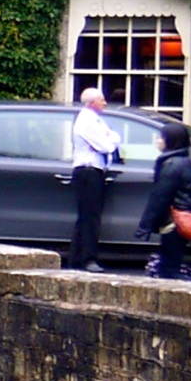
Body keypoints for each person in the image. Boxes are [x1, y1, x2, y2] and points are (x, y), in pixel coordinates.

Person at [63, 87, 124, 270]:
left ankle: (77, 258)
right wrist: (110, 140)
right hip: (88, 171)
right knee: (90, 217)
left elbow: (114, 136)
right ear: (92, 103)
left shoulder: (95, 120)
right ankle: (87, 259)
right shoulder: (87, 121)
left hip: (92, 171)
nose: (105, 103)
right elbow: (106, 146)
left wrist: (111, 139)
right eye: (101, 100)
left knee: (87, 217)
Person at [140, 129, 191, 280]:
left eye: (161, 138)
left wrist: (145, 226)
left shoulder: (172, 164)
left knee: (170, 269)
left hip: (174, 220)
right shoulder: (182, 160)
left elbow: (160, 196)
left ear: (171, 141)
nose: (158, 141)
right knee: (173, 261)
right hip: (181, 218)